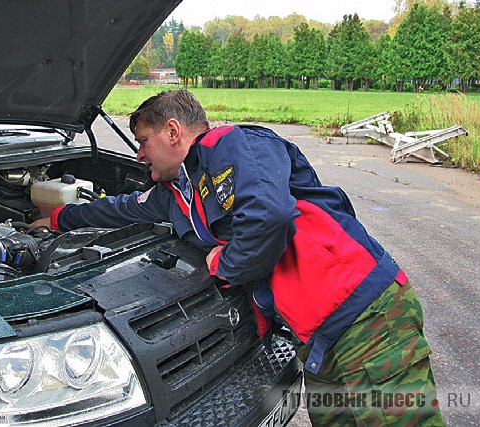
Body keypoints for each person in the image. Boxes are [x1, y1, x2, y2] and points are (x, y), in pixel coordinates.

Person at [33, 90, 444, 426]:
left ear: (173, 131)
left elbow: (270, 214)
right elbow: (120, 207)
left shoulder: (235, 144)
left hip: (367, 319)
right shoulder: (176, 193)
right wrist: (57, 217)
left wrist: (224, 264)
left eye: (143, 141)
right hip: (316, 337)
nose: (139, 155)